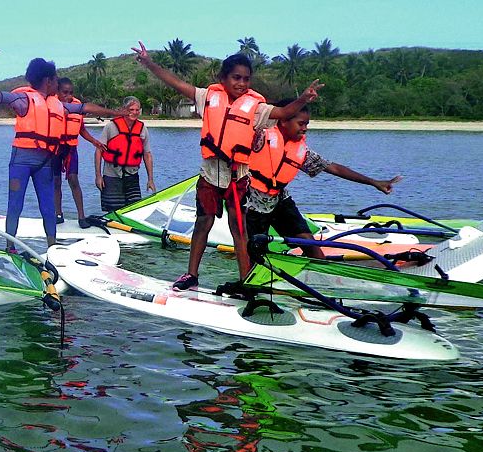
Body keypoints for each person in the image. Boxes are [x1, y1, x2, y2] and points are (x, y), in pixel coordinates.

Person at [132, 43, 321, 287]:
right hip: (210, 173)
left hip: (238, 176)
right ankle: (192, 275)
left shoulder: (256, 108)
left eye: (246, 79)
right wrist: (148, 63)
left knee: (238, 229)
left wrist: (303, 98)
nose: (241, 84)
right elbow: (176, 83)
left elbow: (285, 113)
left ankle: (245, 279)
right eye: (236, 78)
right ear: (223, 78)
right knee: (203, 223)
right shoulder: (208, 96)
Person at [0, 58, 122, 247]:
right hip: (22, 163)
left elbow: (85, 108)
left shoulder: (59, 105)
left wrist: (117, 113)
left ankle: (52, 247)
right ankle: (10, 248)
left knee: (48, 207)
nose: (58, 84)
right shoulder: (24, 100)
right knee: (15, 205)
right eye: (56, 80)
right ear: (48, 81)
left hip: (45, 163)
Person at [245, 103, 401, 257]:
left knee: (308, 241)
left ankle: (321, 273)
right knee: (257, 251)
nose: (305, 128)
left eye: (307, 124)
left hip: (279, 199)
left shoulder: (302, 151)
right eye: (301, 123)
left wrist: (374, 182)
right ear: (284, 120)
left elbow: (333, 168)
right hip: (251, 203)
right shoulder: (260, 137)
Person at [53, 77, 106, 223]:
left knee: (73, 179)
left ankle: (81, 216)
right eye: (65, 92)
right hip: (55, 149)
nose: (68, 96)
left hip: (70, 148)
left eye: (71, 92)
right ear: (57, 91)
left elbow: (81, 129)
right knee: (55, 181)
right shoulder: (51, 103)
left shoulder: (77, 106)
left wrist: (95, 141)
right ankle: (58, 214)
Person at [95, 95, 156, 212]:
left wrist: (150, 179)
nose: (134, 113)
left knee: (133, 210)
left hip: (132, 175)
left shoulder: (142, 129)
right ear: (124, 110)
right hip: (112, 174)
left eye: (137, 110)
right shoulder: (111, 127)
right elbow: (98, 151)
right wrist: (98, 176)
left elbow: (147, 154)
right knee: (113, 210)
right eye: (131, 110)